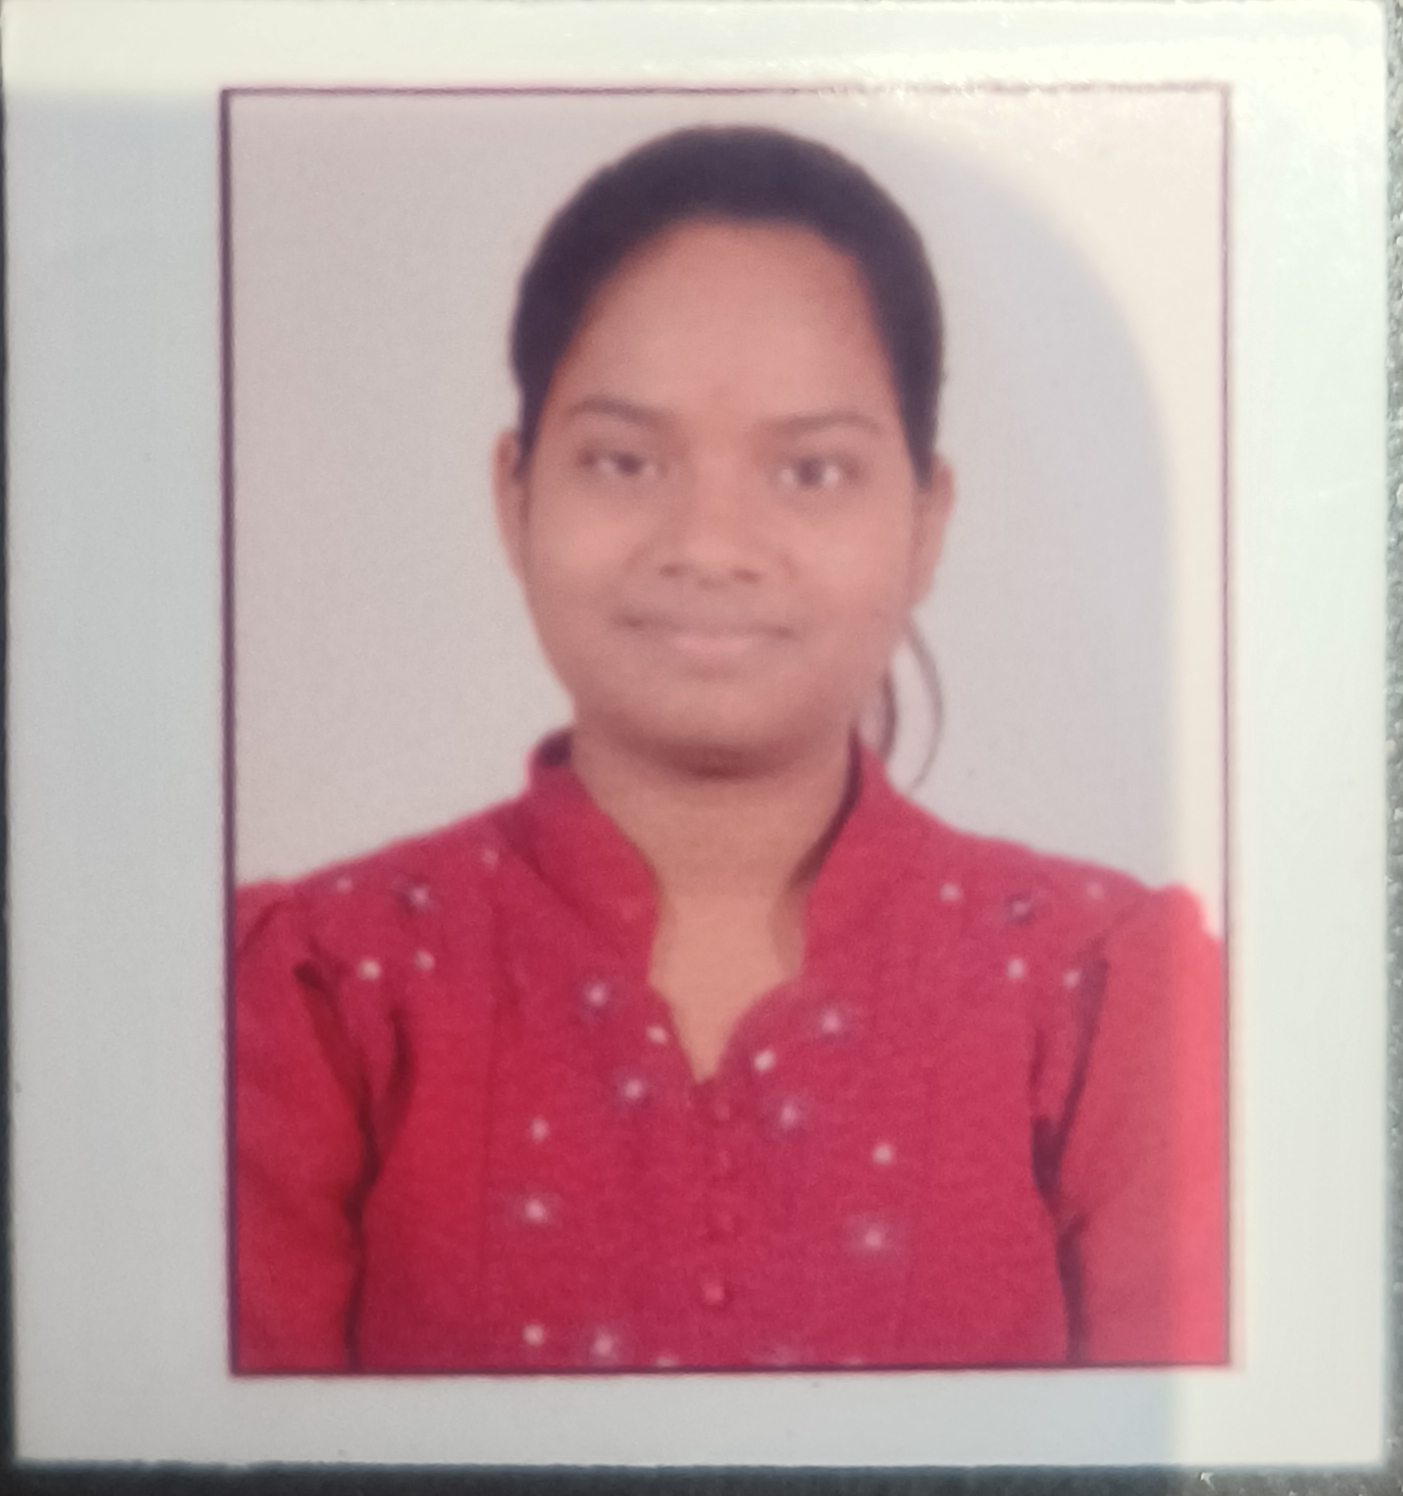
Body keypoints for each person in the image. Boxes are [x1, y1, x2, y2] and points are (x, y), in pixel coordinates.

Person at [233, 125, 1225, 1373]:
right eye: (623, 460)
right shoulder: (314, 992)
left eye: (810, 470)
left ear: (923, 520)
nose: (709, 544)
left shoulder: (1105, 998)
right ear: (514, 495)